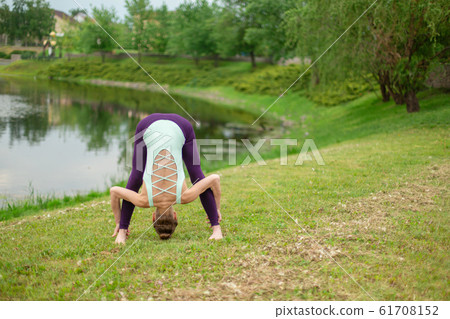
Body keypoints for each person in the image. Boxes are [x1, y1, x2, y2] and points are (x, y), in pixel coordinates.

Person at [110, 113, 223, 244]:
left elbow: (215, 179)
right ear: (153, 217)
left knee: (198, 177)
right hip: (146, 125)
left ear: (175, 216)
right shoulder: (144, 200)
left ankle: (216, 229)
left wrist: (217, 209)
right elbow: (114, 191)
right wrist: (118, 222)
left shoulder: (185, 197)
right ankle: (122, 233)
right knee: (136, 177)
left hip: (181, 125)